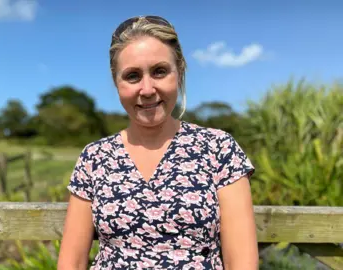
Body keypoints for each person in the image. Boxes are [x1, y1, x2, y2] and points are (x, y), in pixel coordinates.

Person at [57, 15, 258, 270]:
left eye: (159, 71)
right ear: (116, 82)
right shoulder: (94, 157)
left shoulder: (219, 149)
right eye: (132, 76)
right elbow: (71, 262)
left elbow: (241, 262)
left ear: (179, 72)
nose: (148, 89)